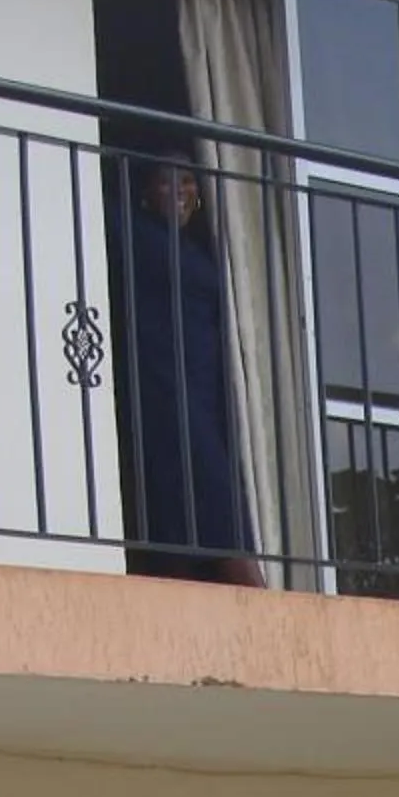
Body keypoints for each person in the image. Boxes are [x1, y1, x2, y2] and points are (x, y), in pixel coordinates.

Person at [113, 151, 268, 586]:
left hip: (208, 389)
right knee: (215, 510)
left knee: (198, 508)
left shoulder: (200, 247)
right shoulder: (134, 233)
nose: (181, 191)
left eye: (189, 183)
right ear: (146, 192)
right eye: (168, 180)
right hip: (165, 386)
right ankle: (274, 619)